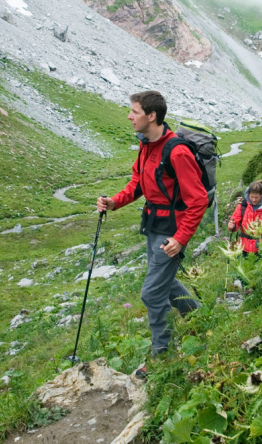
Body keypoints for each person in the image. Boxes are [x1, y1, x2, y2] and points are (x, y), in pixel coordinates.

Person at [97, 91, 204, 371]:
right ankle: (199, 317)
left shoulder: (177, 152)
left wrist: (180, 239)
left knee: (151, 294)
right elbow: (138, 183)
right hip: (154, 225)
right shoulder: (146, 146)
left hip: (171, 232)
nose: (129, 116)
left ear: (152, 116)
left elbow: (199, 199)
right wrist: (114, 202)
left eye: (135, 111)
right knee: (164, 283)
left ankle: (162, 355)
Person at [227, 180, 262, 258]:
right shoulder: (242, 206)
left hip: (261, 247)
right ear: (248, 195)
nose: (253, 200)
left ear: (261, 195)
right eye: (252, 197)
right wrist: (231, 226)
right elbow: (234, 223)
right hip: (243, 247)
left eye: (256, 197)